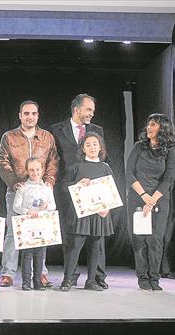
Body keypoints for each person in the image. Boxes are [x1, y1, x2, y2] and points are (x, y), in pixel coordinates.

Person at [0, 100, 59, 288]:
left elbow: (53, 161)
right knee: (12, 233)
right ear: (20, 116)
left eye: (33, 113)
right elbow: (2, 161)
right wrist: (15, 183)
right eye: (26, 113)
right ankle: (8, 273)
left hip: (41, 192)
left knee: (41, 233)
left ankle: (41, 273)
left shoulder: (47, 137)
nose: (30, 117)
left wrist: (49, 182)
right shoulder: (9, 137)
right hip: (17, 192)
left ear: (38, 116)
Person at [50, 94, 109, 289]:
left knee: (97, 242)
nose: (92, 113)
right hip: (68, 190)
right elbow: (54, 160)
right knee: (72, 238)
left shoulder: (97, 131)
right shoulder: (57, 130)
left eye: (93, 110)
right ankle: (70, 276)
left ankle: (96, 278)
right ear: (76, 110)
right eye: (88, 109)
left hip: (95, 199)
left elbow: (105, 172)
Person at [126, 114, 175, 291]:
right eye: (148, 124)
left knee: (155, 239)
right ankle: (143, 278)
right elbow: (129, 173)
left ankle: (154, 278)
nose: (148, 127)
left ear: (162, 128)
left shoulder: (169, 150)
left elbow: (169, 178)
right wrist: (144, 196)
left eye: (153, 124)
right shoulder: (139, 147)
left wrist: (153, 199)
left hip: (160, 200)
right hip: (138, 198)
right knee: (139, 239)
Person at [61, 132, 114, 292]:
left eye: (95, 144)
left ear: (100, 147)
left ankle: (91, 281)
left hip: (100, 214)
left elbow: (111, 192)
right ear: (83, 149)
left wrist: (107, 208)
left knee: (95, 247)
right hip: (81, 214)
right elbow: (64, 187)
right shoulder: (76, 167)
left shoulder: (106, 168)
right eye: (88, 144)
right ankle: (67, 280)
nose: (92, 147)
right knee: (75, 246)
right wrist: (78, 184)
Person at [13, 157, 56, 291]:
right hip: (27, 226)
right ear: (27, 171)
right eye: (31, 170)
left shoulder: (47, 188)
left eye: (37, 169)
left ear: (42, 170)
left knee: (40, 255)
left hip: (42, 225)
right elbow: (16, 206)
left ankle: (37, 282)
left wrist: (46, 206)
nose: (35, 172)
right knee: (27, 255)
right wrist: (27, 211)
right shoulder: (23, 188)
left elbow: (53, 206)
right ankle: (26, 282)